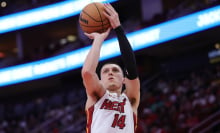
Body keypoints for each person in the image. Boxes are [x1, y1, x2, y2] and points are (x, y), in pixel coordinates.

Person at [81, 3, 140, 133]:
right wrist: (98, 39)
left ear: (124, 79)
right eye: (105, 71)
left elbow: (131, 68)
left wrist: (118, 28)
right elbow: (87, 73)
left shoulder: (130, 99)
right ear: (100, 81)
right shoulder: (96, 97)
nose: (110, 73)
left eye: (115, 70)